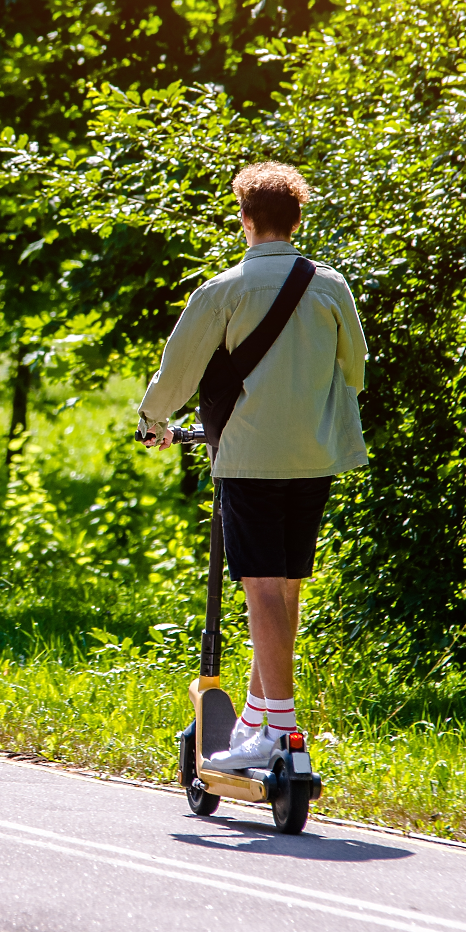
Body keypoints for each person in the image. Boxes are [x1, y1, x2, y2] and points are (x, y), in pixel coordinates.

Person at [137, 162, 368, 769]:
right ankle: (256, 717)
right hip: (315, 454)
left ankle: (281, 732)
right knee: (286, 584)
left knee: (260, 585)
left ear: (245, 219)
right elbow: (356, 369)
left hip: (249, 455)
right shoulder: (331, 286)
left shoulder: (224, 290)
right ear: (297, 220)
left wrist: (153, 420)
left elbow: (178, 374)